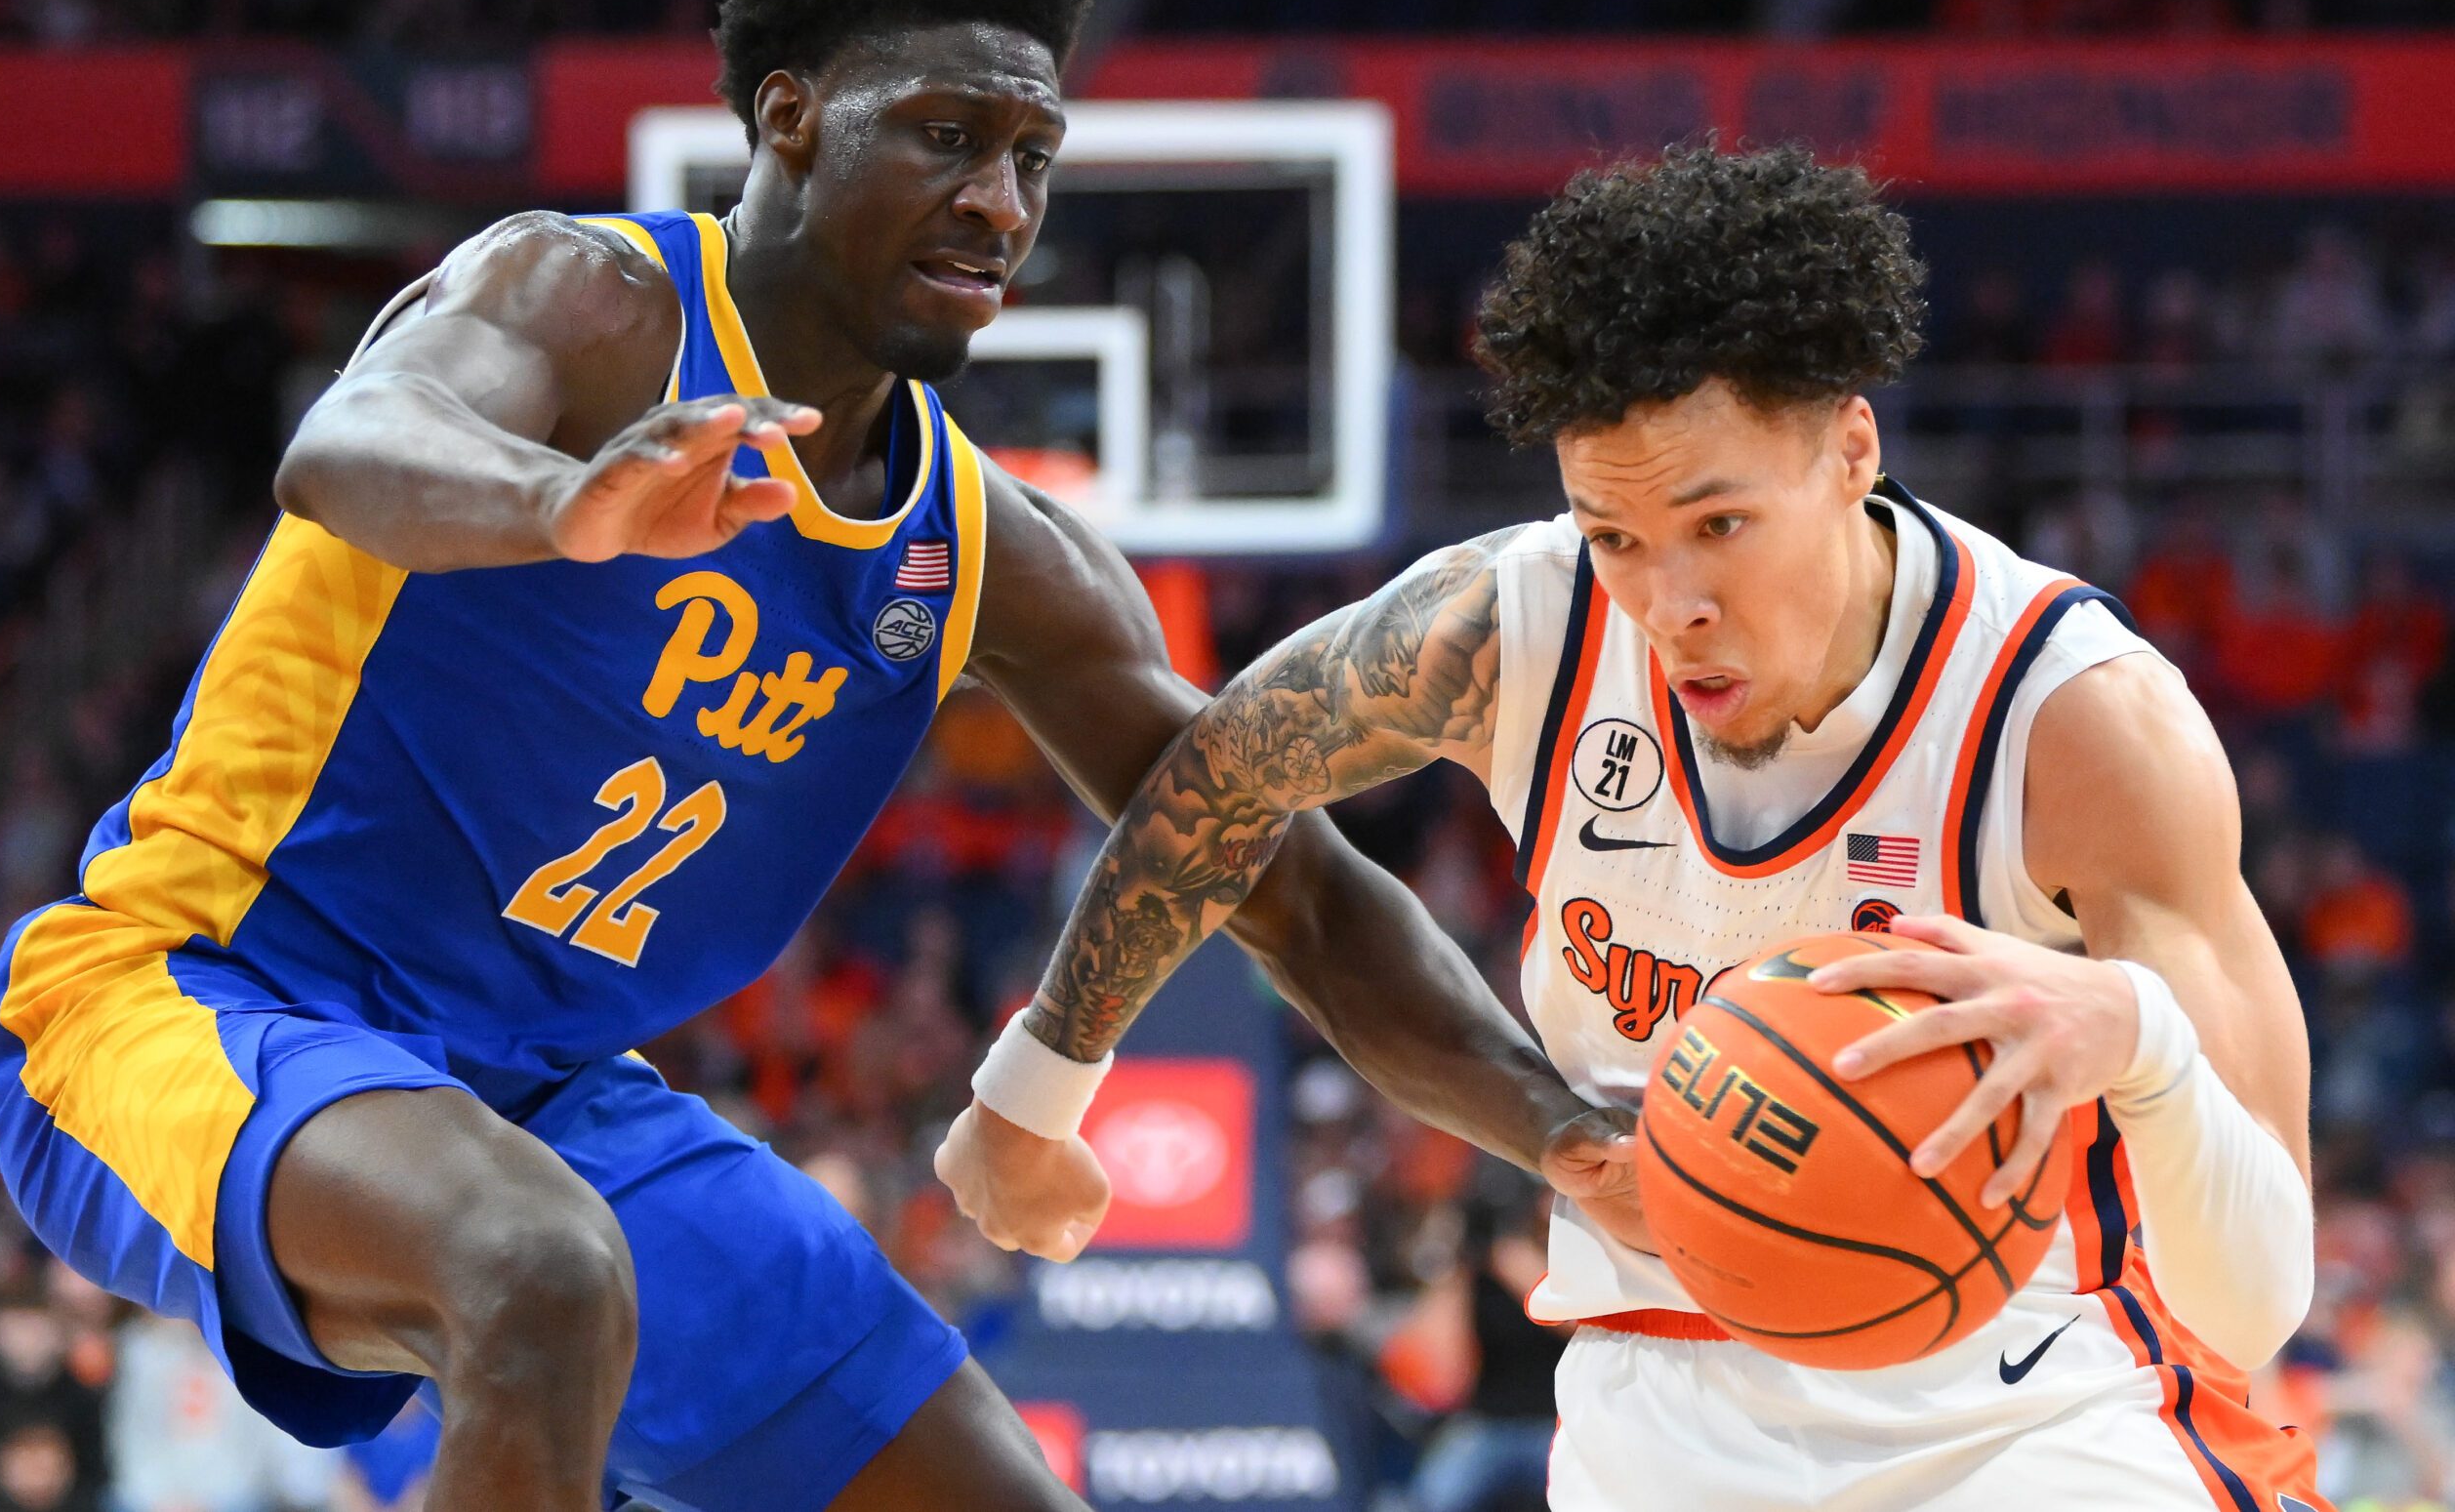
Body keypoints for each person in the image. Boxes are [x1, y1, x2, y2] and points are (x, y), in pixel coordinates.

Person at [0, 0, 1634, 1512]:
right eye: (942, 135)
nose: (997, 199)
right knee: (536, 1270)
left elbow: (1291, 886)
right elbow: (346, 450)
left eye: (1029, 158)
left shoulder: (991, 550)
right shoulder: (592, 303)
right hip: (184, 997)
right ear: (789, 118)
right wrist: (566, 506)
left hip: (545, 1096)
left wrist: (1560, 1130)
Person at [946, 144, 2329, 1510]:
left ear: (1854, 448)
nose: (1670, 603)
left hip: (2033, 1405)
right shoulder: (1508, 625)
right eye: (1615, 536)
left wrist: (2140, 1043)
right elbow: (1221, 777)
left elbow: (2259, 1302)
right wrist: (1036, 1086)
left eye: (1720, 524)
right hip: (1654, 1408)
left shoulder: (2076, 719)